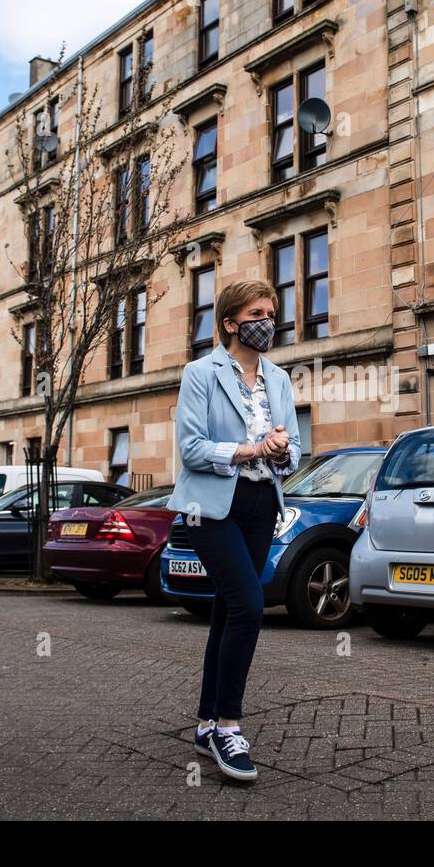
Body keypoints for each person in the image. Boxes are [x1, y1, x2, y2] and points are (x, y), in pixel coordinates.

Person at [167, 280, 301, 781]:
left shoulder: (280, 379)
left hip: (262, 502)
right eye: (257, 313)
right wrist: (250, 450)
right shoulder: (200, 373)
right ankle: (228, 726)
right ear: (230, 322)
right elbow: (193, 449)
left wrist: (284, 451)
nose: (268, 321)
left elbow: (294, 448)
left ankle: (205, 723)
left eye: (271, 312)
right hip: (210, 506)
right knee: (248, 604)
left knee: (227, 612)